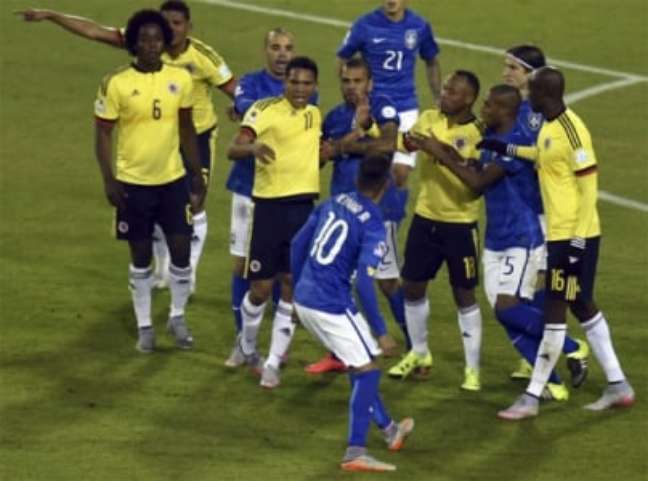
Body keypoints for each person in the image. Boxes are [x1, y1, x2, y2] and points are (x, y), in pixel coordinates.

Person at [17, 1, 236, 293]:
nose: (170, 28)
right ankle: (162, 268)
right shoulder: (147, 44)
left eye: (177, 23)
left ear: (188, 27)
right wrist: (52, 15)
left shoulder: (203, 56)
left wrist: (240, 107)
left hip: (195, 135)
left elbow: (237, 89)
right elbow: (94, 31)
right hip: (155, 137)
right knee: (159, 203)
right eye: (165, 22)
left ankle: (187, 271)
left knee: (194, 203)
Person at [411, 84, 590, 401]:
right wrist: (444, 151)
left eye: (490, 104)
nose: (484, 107)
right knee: (504, 311)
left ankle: (572, 346)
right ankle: (552, 382)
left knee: (508, 309)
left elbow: (478, 183)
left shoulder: (516, 143)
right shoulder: (491, 142)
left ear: (505, 111)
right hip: (497, 238)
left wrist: (444, 157)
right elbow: (476, 168)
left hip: (520, 239)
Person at [497, 67, 635, 420]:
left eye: (532, 92)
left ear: (546, 94)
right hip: (560, 235)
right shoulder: (549, 125)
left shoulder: (574, 131)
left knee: (555, 311)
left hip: (574, 237)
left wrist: (576, 241)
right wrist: (507, 148)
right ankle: (618, 385)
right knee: (581, 305)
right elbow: (544, 157)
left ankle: (531, 396)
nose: (527, 97)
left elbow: (590, 189)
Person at [292, 153, 414, 472]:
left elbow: (296, 244)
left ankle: (389, 431)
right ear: (385, 184)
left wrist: (293, 295)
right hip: (331, 304)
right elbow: (364, 282)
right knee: (369, 369)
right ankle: (355, 451)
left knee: (358, 364)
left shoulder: (336, 200)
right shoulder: (373, 222)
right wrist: (382, 331)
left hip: (305, 298)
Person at [93, 9, 205, 352]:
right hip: (133, 184)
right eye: (144, 39)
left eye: (157, 38)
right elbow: (102, 134)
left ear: (165, 42)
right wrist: (110, 179)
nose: (151, 45)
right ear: (133, 44)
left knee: (181, 252)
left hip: (172, 181)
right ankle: (144, 326)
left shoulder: (180, 79)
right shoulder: (116, 83)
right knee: (140, 256)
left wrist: (197, 176)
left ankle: (177, 315)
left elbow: (187, 130)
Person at [306, 57, 409, 374]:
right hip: (342, 210)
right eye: (346, 81)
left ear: (370, 83)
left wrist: (344, 148)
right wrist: (347, 140)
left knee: (387, 281)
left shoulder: (383, 107)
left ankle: (416, 346)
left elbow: (388, 145)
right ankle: (339, 352)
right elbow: (320, 158)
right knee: (339, 281)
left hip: (379, 210)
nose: (352, 87)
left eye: (358, 81)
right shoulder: (336, 117)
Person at [223, 28, 318, 368]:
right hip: (250, 191)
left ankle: (278, 345)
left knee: (286, 274)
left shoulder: (308, 97)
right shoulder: (251, 84)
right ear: (265, 50)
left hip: (289, 195)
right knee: (243, 268)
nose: (282, 53)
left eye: (288, 48)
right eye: (276, 47)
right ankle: (242, 340)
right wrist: (247, 123)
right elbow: (245, 108)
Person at [387, 71, 484, 391]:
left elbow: (475, 181)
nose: (444, 95)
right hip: (425, 218)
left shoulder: (479, 133)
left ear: (469, 99)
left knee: (464, 294)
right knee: (413, 286)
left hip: (460, 223)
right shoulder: (429, 117)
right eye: (444, 89)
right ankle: (420, 353)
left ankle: (472, 369)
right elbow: (403, 142)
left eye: (453, 92)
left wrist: (437, 149)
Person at [337, 0, 441, 191]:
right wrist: (349, 94)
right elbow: (343, 56)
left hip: (405, 107)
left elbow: (432, 61)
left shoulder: (419, 26)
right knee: (369, 166)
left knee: (400, 173)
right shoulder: (364, 25)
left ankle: (389, 218)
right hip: (372, 108)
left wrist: (437, 96)